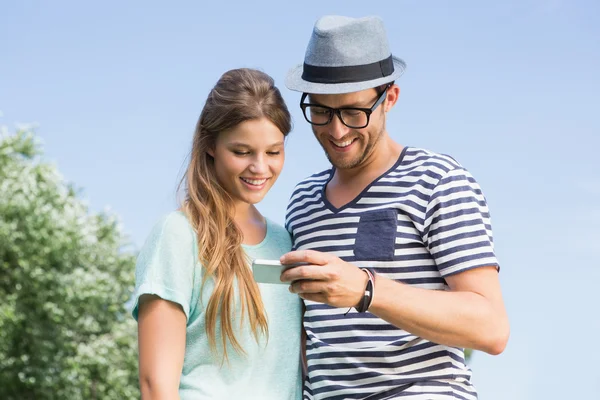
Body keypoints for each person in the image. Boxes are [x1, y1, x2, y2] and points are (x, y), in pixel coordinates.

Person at [280, 16, 510, 400]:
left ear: (390, 97)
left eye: (354, 112)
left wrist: (367, 290)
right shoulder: (301, 202)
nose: (337, 131)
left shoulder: (439, 181)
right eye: (321, 111)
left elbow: (491, 328)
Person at [130, 68, 302, 400]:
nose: (260, 167)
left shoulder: (286, 242)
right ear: (210, 146)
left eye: (273, 152)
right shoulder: (178, 235)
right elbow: (156, 388)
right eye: (242, 152)